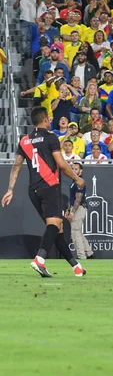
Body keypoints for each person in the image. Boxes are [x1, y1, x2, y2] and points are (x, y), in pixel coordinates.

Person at [1, 106, 86, 278]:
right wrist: (77, 179)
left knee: (57, 228)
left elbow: (16, 166)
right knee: (54, 225)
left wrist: (10, 189)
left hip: (34, 190)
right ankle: (40, 259)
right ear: (46, 120)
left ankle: (76, 267)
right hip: (49, 185)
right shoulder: (51, 137)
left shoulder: (24, 140)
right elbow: (62, 165)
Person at [65, 163, 93, 260]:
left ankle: (81, 255)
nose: (73, 170)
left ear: (81, 171)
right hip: (76, 207)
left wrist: (72, 213)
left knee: (75, 232)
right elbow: (72, 198)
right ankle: (89, 253)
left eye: (76, 169)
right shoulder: (74, 181)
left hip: (79, 208)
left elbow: (78, 199)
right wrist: (68, 210)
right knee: (78, 231)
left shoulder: (79, 182)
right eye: (72, 168)